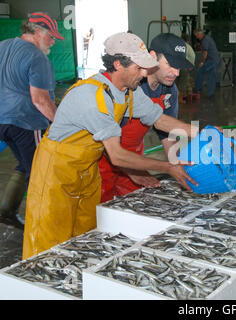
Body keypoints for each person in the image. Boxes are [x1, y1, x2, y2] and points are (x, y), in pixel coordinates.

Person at [22, 32, 199, 260]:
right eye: (139, 68)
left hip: (87, 172)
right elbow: (116, 156)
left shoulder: (128, 92)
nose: (145, 73)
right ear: (118, 65)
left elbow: (159, 119)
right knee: (47, 245)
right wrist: (167, 167)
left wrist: (200, 132)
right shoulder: (95, 97)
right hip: (56, 173)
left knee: (84, 238)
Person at [99, 33, 195, 202]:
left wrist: (179, 170)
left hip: (135, 157)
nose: (176, 73)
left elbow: (166, 133)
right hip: (104, 157)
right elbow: (105, 145)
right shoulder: (128, 86)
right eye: (171, 65)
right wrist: (131, 169)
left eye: (179, 68)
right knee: (98, 211)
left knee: (133, 206)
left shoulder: (169, 91)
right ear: (152, 57)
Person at [0, 12, 63, 229]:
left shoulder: (3, 46)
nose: (53, 41)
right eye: (51, 36)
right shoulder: (37, 57)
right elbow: (41, 101)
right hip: (26, 123)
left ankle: (6, 210)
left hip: (2, 121)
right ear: (37, 32)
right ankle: (43, 223)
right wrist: (63, 124)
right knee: (40, 170)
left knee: (24, 163)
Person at [194, 28, 220, 98]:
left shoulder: (205, 40)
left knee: (200, 71)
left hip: (211, 60)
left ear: (200, 34)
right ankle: (211, 94)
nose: (196, 37)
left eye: (197, 35)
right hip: (215, 59)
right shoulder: (208, 38)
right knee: (212, 76)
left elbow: (205, 53)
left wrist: (202, 62)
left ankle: (197, 89)